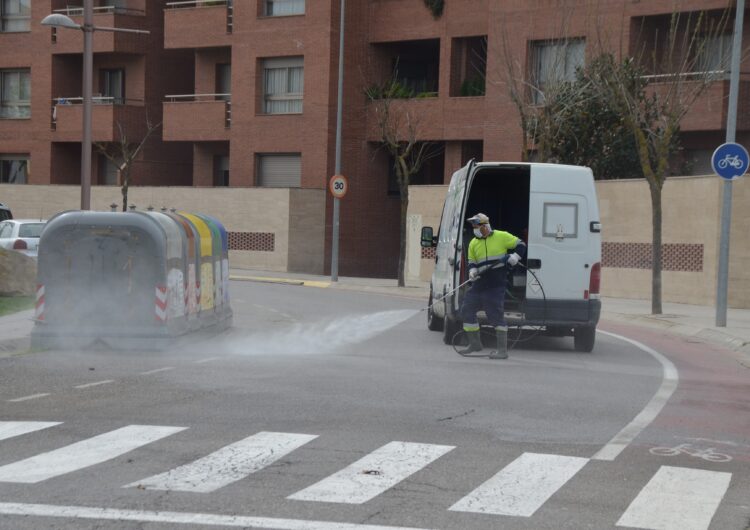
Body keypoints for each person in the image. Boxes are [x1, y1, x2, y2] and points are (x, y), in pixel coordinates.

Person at [458, 213, 526, 359]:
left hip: (495, 284)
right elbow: (472, 261)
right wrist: (472, 270)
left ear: (485, 226)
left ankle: (502, 351)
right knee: (467, 309)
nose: (475, 228)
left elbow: (521, 245)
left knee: (495, 315)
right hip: (479, 284)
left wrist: (515, 257)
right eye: (473, 226)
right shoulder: (473, 243)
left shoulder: (501, 236)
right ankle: (475, 344)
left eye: (477, 225)